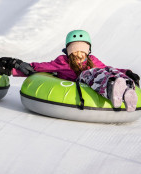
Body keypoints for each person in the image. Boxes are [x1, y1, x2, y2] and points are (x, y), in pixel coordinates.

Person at [12, 30, 140, 112]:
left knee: (107, 70)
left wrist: (127, 72)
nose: (79, 55)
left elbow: (106, 67)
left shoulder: (92, 60)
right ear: (69, 52)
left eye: (82, 51)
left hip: (102, 75)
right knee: (91, 73)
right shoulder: (63, 62)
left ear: (88, 51)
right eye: (75, 51)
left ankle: (127, 91)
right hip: (86, 80)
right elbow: (42, 67)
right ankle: (113, 89)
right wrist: (16, 69)